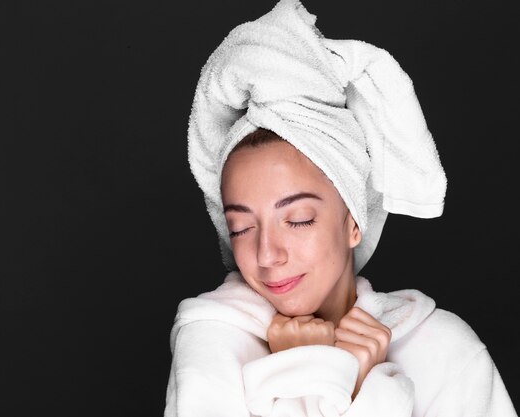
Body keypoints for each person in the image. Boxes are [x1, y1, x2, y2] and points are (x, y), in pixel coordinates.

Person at [164, 0, 517, 416]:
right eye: (241, 227)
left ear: (353, 222)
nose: (266, 254)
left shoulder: (444, 350)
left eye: (297, 219)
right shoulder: (214, 339)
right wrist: (324, 375)